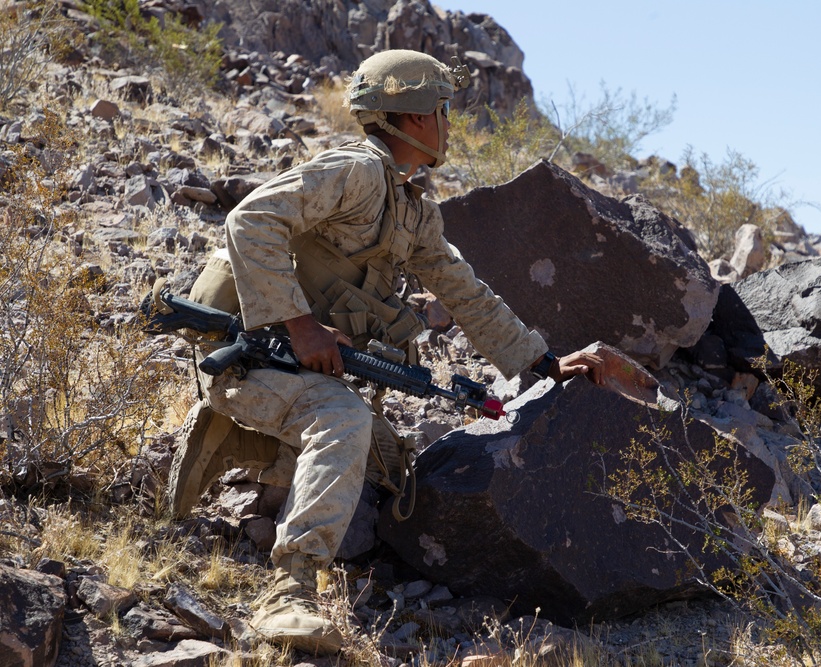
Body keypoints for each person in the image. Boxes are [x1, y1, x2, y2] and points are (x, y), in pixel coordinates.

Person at [167, 49, 604, 654]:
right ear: (417, 116)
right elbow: (250, 220)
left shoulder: (411, 210)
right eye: (443, 110)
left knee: (393, 470)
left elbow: (465, 294)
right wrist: (301, 326)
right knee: (342, 420)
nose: (449, 123)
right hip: (246, 353)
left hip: (289, 369)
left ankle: (233, 439)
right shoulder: (357, 172)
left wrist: (542, 364)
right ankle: (288, 592)